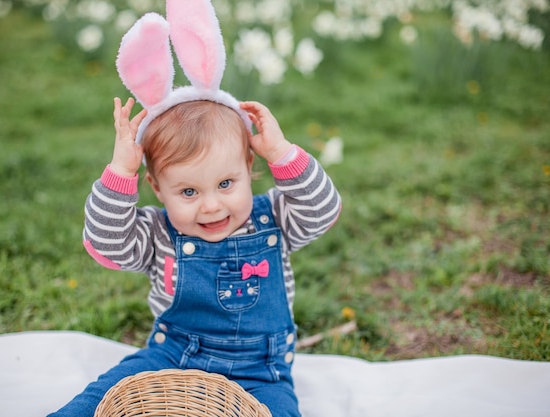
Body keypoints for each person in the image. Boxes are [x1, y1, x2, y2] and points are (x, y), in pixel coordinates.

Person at [47, 96, 341, 417]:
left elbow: (322, 209)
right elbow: (106, 241)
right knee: (97, 402)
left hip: (260, 373)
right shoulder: (158, 232)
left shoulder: (274, 218)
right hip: (172, 356)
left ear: (248, 167)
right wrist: (121, 171)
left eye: (226, 184)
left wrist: (281, 153)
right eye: (189, 192)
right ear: (157, 188)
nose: (211, 206)